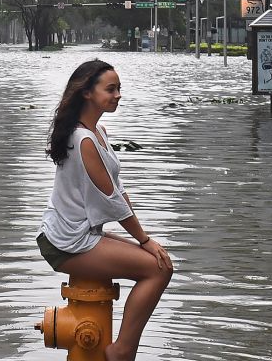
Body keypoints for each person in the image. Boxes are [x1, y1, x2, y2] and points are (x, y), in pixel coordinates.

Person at [38, 59, 173, 361]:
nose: (117, 95)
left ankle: (119, 350)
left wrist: (143, 240)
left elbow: (117, 188)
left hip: (80, 232)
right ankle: (122, 352)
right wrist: (144, 239)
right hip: (67, 242)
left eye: (119, 89)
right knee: (159, 268)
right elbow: (111, 199)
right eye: (110, 89)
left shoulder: (97, 132)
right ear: (87, 92)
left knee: (156, 261)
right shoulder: (82, 139)